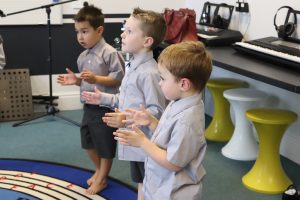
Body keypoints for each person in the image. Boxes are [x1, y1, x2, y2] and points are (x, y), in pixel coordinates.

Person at [81, 7, 167, 200]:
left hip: (146, 144)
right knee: (141, 181)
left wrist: (126, 118)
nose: (122, 34)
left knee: (149, 182)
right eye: (124, 29)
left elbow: (157, 111)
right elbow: (127, 99)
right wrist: (103, 98)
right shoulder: (133, 65)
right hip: (135, 140)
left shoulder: (149, 73)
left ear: (147, 41)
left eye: (129, 31)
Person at [114, 41, 212, 199]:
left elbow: (173, 163)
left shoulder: (187, 121)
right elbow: (170, 137)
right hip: (161, 183)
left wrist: (142, 142)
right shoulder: (178, 100)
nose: (159, 83)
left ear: (183, 84)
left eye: (163, 79)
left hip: (173, 191)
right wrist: (151, 122)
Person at [57, 4, 124, 195]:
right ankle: (99, 171)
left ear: (99, 30)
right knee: (88, 142)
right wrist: (76, 81)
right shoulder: (82, 56)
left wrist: (97, 79)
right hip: (89, 107)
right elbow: (86, 82)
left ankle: (102, 179)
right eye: (77, 32)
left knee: (105, 145)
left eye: (85, 31)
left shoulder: (110, 53)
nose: (80, 37)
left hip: (105, 106)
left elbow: (118, 79)